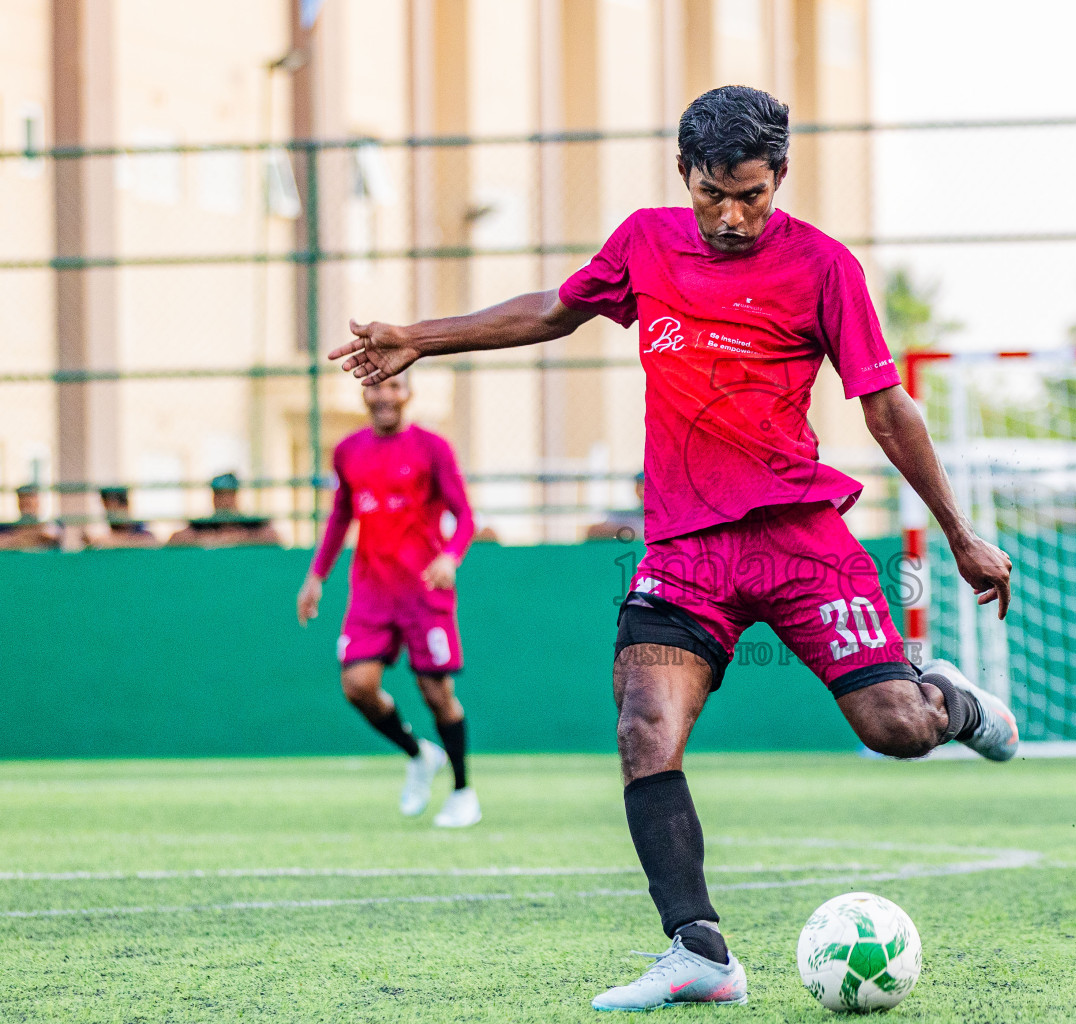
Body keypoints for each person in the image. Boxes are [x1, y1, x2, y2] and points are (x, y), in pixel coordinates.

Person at [332, 85, 1018, 1011]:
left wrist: (959, 532)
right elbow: (552, 310)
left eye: (752, 195)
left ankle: (949, 700)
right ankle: (699, 952)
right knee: (642, 725)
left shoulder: (824, 268)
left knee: (894, 730)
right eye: (712, 194)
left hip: (801, 543)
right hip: (686, 552)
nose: (732, 216)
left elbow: (886, 406)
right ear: (684, 176)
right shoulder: (644, 242)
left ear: (781, 175)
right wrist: (419, 336)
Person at [296, 374, 481, 828]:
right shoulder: (348, 451)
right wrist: (316, 576)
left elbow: (466, 517)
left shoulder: (432, 448)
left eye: (394, 387)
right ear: (365, 394)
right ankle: (419, 754)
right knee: (357, 686)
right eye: (376, 387)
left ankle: (462, 792)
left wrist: (450, 557)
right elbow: (342, 514)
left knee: (436, 694)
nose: (384, 396)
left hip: (424, 591)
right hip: (371, 592)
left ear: (408, 393)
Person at [165, 473, 282, 548]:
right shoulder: (203, 524)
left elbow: (274, 537)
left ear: (236, 496)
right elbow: (174, 539)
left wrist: (241, 539)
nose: (223, 500)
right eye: (219, 495)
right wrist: (207, 539)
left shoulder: (251, 523)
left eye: (228, 494)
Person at [88, 486, 159, 549]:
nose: (108, 513)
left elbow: (149, 541)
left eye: (112, 507)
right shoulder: (107, 536)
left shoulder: (143, 532)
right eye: (106, 508)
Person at [586, 471, 646, 541]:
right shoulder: (627, 515)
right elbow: (592, 531)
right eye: (640, 486)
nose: (642, 491)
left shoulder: (660, 517)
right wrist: (626, 532)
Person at [0, 484, 60, 551]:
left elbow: (52, 535)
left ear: (38, 501)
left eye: (29, 501)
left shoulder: (52, 524)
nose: (25, 503)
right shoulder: (7, 527)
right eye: (22, 499)